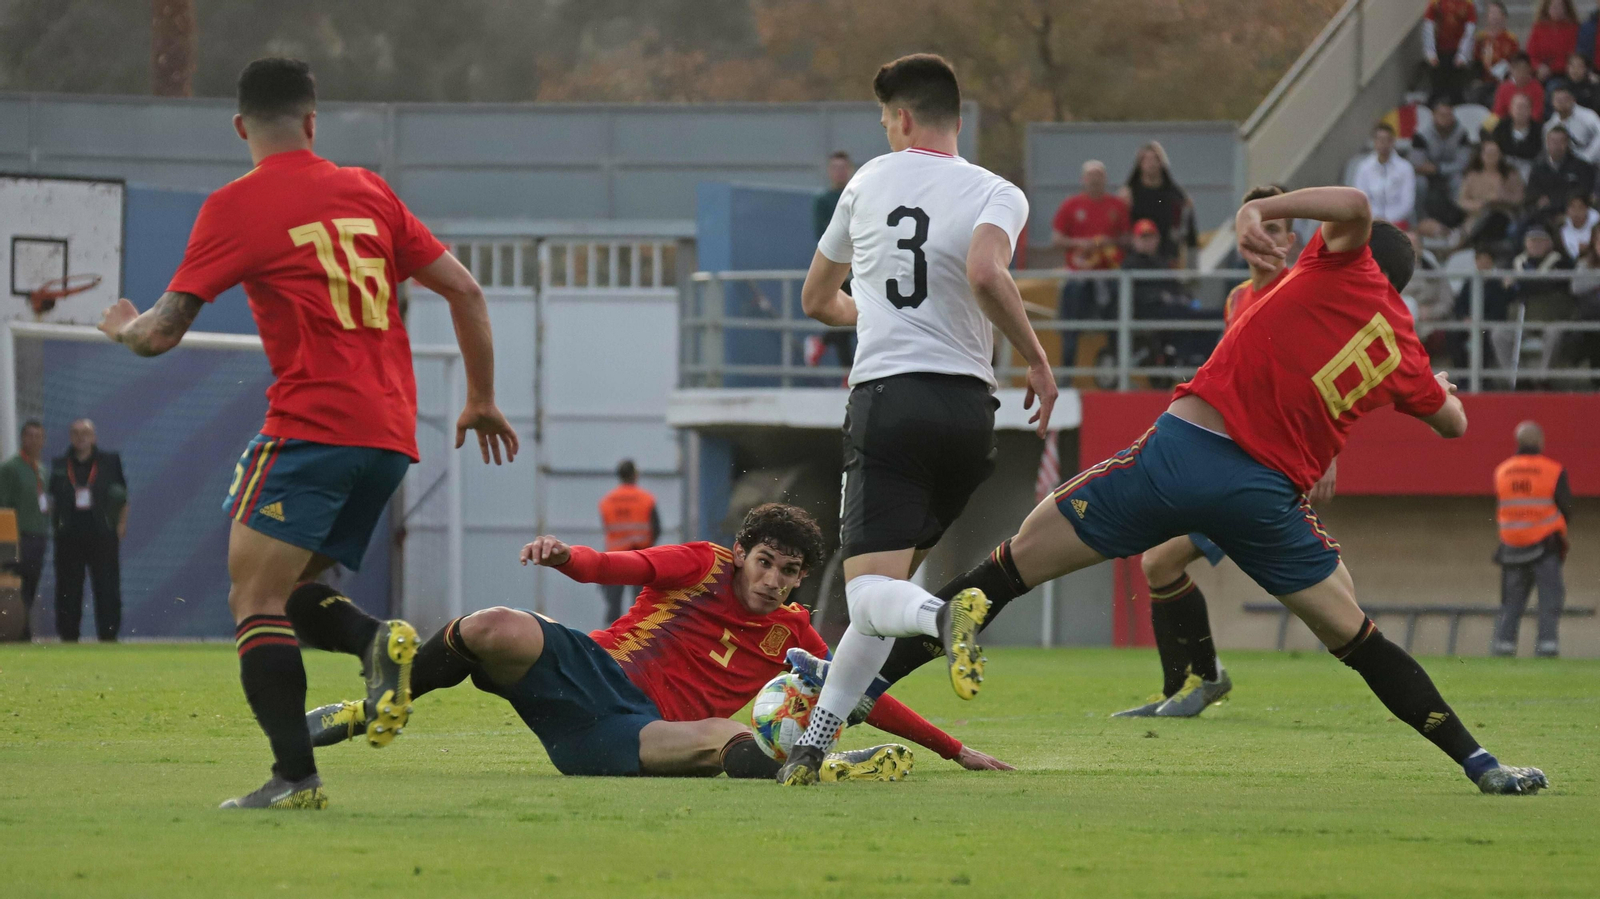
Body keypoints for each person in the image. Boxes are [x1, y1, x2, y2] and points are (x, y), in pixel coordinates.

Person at [861, 187, 1548, 795]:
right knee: (1359, 637)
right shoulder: (1404, 350)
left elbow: (1356, 207)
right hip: (1263, 501)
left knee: (1008, 567)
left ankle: (856, 691)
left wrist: (1260, 208)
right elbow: (1453, 424)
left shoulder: (1342, 264)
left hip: (1183, 456)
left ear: (1359, 256)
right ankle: (1479, 759)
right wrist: (1444, 394)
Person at [95, 57, 519, 810]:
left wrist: (124, 327)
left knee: (251, 595)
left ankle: (296, 775)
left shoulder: (236, 205)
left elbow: (162, 334)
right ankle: (370, 642)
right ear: (313, 121)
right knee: (285, 589)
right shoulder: (368, 190)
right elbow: (465, 288)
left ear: (239, 127)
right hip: (391, 438)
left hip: (315, 427)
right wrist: (481, 395)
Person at [788, 52, 1055, 787]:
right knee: (880, 597)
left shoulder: (868, 179)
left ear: (902, 119)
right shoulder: (1000, 191)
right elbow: (987, 272)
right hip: (972, 414)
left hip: (890, 402)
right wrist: (1035, 356)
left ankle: (945, 616)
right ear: (957, 119)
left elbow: (817, 298)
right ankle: (814, 742)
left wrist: (862, 312)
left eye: (884, 118)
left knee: (869, 590)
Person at [306, 504, 1012, 778]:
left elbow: (859, 692)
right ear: (742, 552)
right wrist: (566, 557)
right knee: (490, 624)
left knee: (722, 734)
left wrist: (956, 749)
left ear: (800, 580)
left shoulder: (792, 634)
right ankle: (373, 707)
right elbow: (621, 566)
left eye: (789, 571)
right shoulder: (702, 563)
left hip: (632, 735)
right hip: (586, 672)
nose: (771, 579)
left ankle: (826, 766)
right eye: (764, 561)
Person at [1116, 185, 1327, 719]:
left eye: (1276, 229)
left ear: (1291, 239)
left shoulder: (1300, 294)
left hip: (1265, 467)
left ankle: (1201, 682)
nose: (1264, 237)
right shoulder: (1237, 298)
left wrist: (1328, 455)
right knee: (1157, 564)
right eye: (1258, 227)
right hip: (1225, 456)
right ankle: (1189, 686)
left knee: (1161, 561)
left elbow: (1318, 377)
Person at [1491, 422, 1571, 658]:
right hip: (1545, 547)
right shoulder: (1553, 470)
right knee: (1549, 600)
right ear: (1540, 442)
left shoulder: (1502, 471)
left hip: (1511, 547)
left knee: (1511, 603)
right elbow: (1566, 507)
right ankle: (1547, 648)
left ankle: (1503, 648)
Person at [49, 419, 127, 643]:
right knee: (68, 587)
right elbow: (52, 499)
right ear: (71, 437)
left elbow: (123, 497)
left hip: (102, 535)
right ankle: (68, 635)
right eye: (76, 433)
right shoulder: (60, 464)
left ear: (94, 437)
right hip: (69, 537)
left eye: (85, 433)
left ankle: (108, 635)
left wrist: (121, 525)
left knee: (107, 586)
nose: (81, 437)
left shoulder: (110, 462)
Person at [1052, 159, 1130, 365]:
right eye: (1091, 176)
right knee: (1070, 322)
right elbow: (1057, 239)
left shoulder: (1117, 206)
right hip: (1078, 274)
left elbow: (1128, 238)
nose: (1095, 180)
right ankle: (1067, 374)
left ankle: (1118, 371)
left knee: (1116, 323)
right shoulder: (1071, 205)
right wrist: (1080, 243)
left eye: (1099, 176)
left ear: (1105, 179)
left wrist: (1108, 242)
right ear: (1083, 179)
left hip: (1108, 274)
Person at [0, 420, 49, 641]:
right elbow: (4, 506)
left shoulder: (41, 470)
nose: (34, 440)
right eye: (29, 435)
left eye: (38, 436)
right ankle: (13, 632)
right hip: (18, 536)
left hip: (38, 536)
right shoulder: (11, 468)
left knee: (31, 585)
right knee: (14, 587)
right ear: (22, 438)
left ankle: (25, 633)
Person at [809, 151, 857, 370]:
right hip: (838, 267)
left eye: (843, 168)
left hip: (858, 267)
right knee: (846, 318)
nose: (839, 172)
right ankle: (847, 371)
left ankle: (823, 344)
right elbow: (823, 234)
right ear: (830, 171)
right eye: (835, 168)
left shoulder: (857, 195)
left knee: (851, 320)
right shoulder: (824, 200)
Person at [597, 458, 659, 623]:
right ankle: (635, 640)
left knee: (613, 604)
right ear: (635, 475)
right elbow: (657, 528)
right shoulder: (646, 498)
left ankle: (608, 642)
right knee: (640, 603)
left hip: (614, 558)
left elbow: (607, 527)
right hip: (640, 557)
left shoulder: (607, 501)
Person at [1121, 142, 1196, 266]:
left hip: (1168, 258)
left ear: (1162, 163)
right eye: (1146, 159)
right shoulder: (1128, 195)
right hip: (1135, 259)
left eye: (1155, 159)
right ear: (1139, 164)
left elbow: (1189, 234)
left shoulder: (1177, 197)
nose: (1151, 163)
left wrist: (1192, 267)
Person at [1411, 100, 1474, 232]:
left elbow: (1463, 164)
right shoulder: (1421, 135)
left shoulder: (1462, 134)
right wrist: (1433, 169)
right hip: (1427, 176)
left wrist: (1438, 168)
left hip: (1449, 173)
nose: (1445, 119)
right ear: (1434, 115)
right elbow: (1418, 164)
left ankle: (1459, 222)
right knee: (1419, 182)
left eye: (1448, 115)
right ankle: (1420, 221)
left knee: (1458, 180)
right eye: (1441, 115)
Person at [1458, 139, 1526, 247]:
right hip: (1479, 216)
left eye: (1495, 153)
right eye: (1488, 153)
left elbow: (1520, 198)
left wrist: (1503, 198)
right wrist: (1481, 204)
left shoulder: (1511, 175)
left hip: (1505, 215)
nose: (1492, 157)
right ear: (1481, 155)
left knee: (1497, 218)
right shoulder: (1472, 176)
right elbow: (1462, 201)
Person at [1349, 123, 1417, 229]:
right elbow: (1361, 199)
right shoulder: (1364, 167)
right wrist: (1376, 218)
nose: (1383, 144)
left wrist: (1388, 219)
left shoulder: (1405, 168)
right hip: (1371, 220)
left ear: (1393, 141)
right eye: (1380, 140)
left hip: (1397, 221)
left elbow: (1407, 203)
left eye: (1387, 140)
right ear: (1374, 142)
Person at [1526, 126, 1595, 219]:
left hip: (1571, 215)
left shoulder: (1581, 167)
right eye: (1553, 141)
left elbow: (1582, 193)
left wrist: (1552, 200)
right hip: (1541, 215)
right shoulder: (1538, 167)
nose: (1557, 145)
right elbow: (1532, 193)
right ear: (1547, 143)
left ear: (1567, 143)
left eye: (1561, 141)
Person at [1423, 0, 1477, 105]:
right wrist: (1430, 53)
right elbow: (1428, 27)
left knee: (1456, 91)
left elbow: (1470, 30)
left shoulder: (1468, 4)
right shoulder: (1435, 2)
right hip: (1440, 52)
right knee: (1437, 89)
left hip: (1458, 52)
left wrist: (1463, 55)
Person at [1490, 93, 1545, 177]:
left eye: (1524, 107)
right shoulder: (1501, 127)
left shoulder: (1538, 130)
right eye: (1518, 107)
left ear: (1530, 110)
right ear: (1511, 109)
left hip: (1530, 167)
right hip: (1504, 167)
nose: (1521, 111)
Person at [1542, 85, 1600, 164]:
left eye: (1565, 99)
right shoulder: (1551, 124)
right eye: (1558, 100)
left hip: (1592, 162)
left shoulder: (1588, 116)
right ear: (1552, 102)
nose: (1561, 103)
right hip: (1566, 166)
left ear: (1573, 100)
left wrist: (1586, 157)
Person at [1472, 2, 1520, 94]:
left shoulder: (1511, 40)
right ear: (1487, 16)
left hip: (1503, 82)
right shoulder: (1480, 38)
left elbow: (1516, 62)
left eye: (1497, 13)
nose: (1494, 17)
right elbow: (1476, 61)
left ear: (1504, 17)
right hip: (1483, 82)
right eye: (1492, 13)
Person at [1527, 1, 1580, 83]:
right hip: (1540, 73)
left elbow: (1574, 55)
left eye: (1560, 7)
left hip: (1564, 74)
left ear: (1566, 9)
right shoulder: (1539, 28)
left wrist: (1552, 68)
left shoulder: (1574, 29)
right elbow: (1530, 55)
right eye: (1553, 7)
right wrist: (1538, 67)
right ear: (1547, 8)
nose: (1557, 10)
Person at [1492, 54, 1546, 121]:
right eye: (1517, 69)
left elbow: (1537, 113)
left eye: (1524, 69)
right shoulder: (1503, 88)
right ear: (1511, 70)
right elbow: (1498, 112)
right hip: (1508, 125)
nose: (1521, 72)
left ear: (1529, 69)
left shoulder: (1537, 87)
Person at [1559, 194, 1598, 258]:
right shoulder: (1560, 228)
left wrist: (1589, 250)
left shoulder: (1597, 224)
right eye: (1572, 207)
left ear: (1587, 209)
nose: (1576, 211)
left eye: (1580, 207)